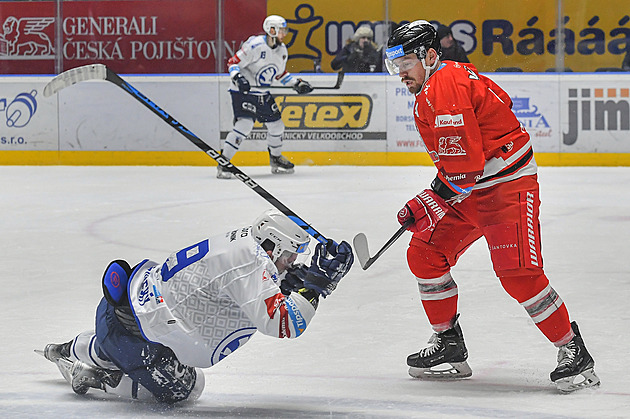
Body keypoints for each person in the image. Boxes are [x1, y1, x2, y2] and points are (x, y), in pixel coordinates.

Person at [384, 20, 600, 393]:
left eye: (405, 64)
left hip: (506, 188)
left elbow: (464, 168)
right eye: (395, 66)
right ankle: (448, 343)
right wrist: (437, 199)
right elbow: (459, 169)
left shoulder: (445, 86)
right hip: (471, 190)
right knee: (425, 253)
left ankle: (572, 349)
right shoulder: (431, 88)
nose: (400, 74)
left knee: (518, 274)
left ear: (430, 56)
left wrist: (430, 200)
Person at [38, 209, 354, 403]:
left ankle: (74, 349)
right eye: (289, 256)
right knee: (187, 391)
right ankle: (101, 377)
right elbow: (284, 323)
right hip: (140, 339)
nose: (291, 263)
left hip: (122, 315)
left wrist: (300, 282)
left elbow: (244, 288)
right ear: (271, 244)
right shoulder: (249, 267)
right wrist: (315, 285)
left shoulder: (245, 245)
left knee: (126, 345)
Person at [218, 15, 314, 179]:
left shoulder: (282, 51)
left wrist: (296, 84)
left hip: (261, 94)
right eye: (282, 30)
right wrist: (238, 78)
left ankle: (275, 158)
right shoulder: (255, 46)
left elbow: (280, 75)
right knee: (245, 125)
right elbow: (232, 63)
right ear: (272, 30)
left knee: (277, 125)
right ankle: (224, 163)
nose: (285, 33)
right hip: (243, 92)